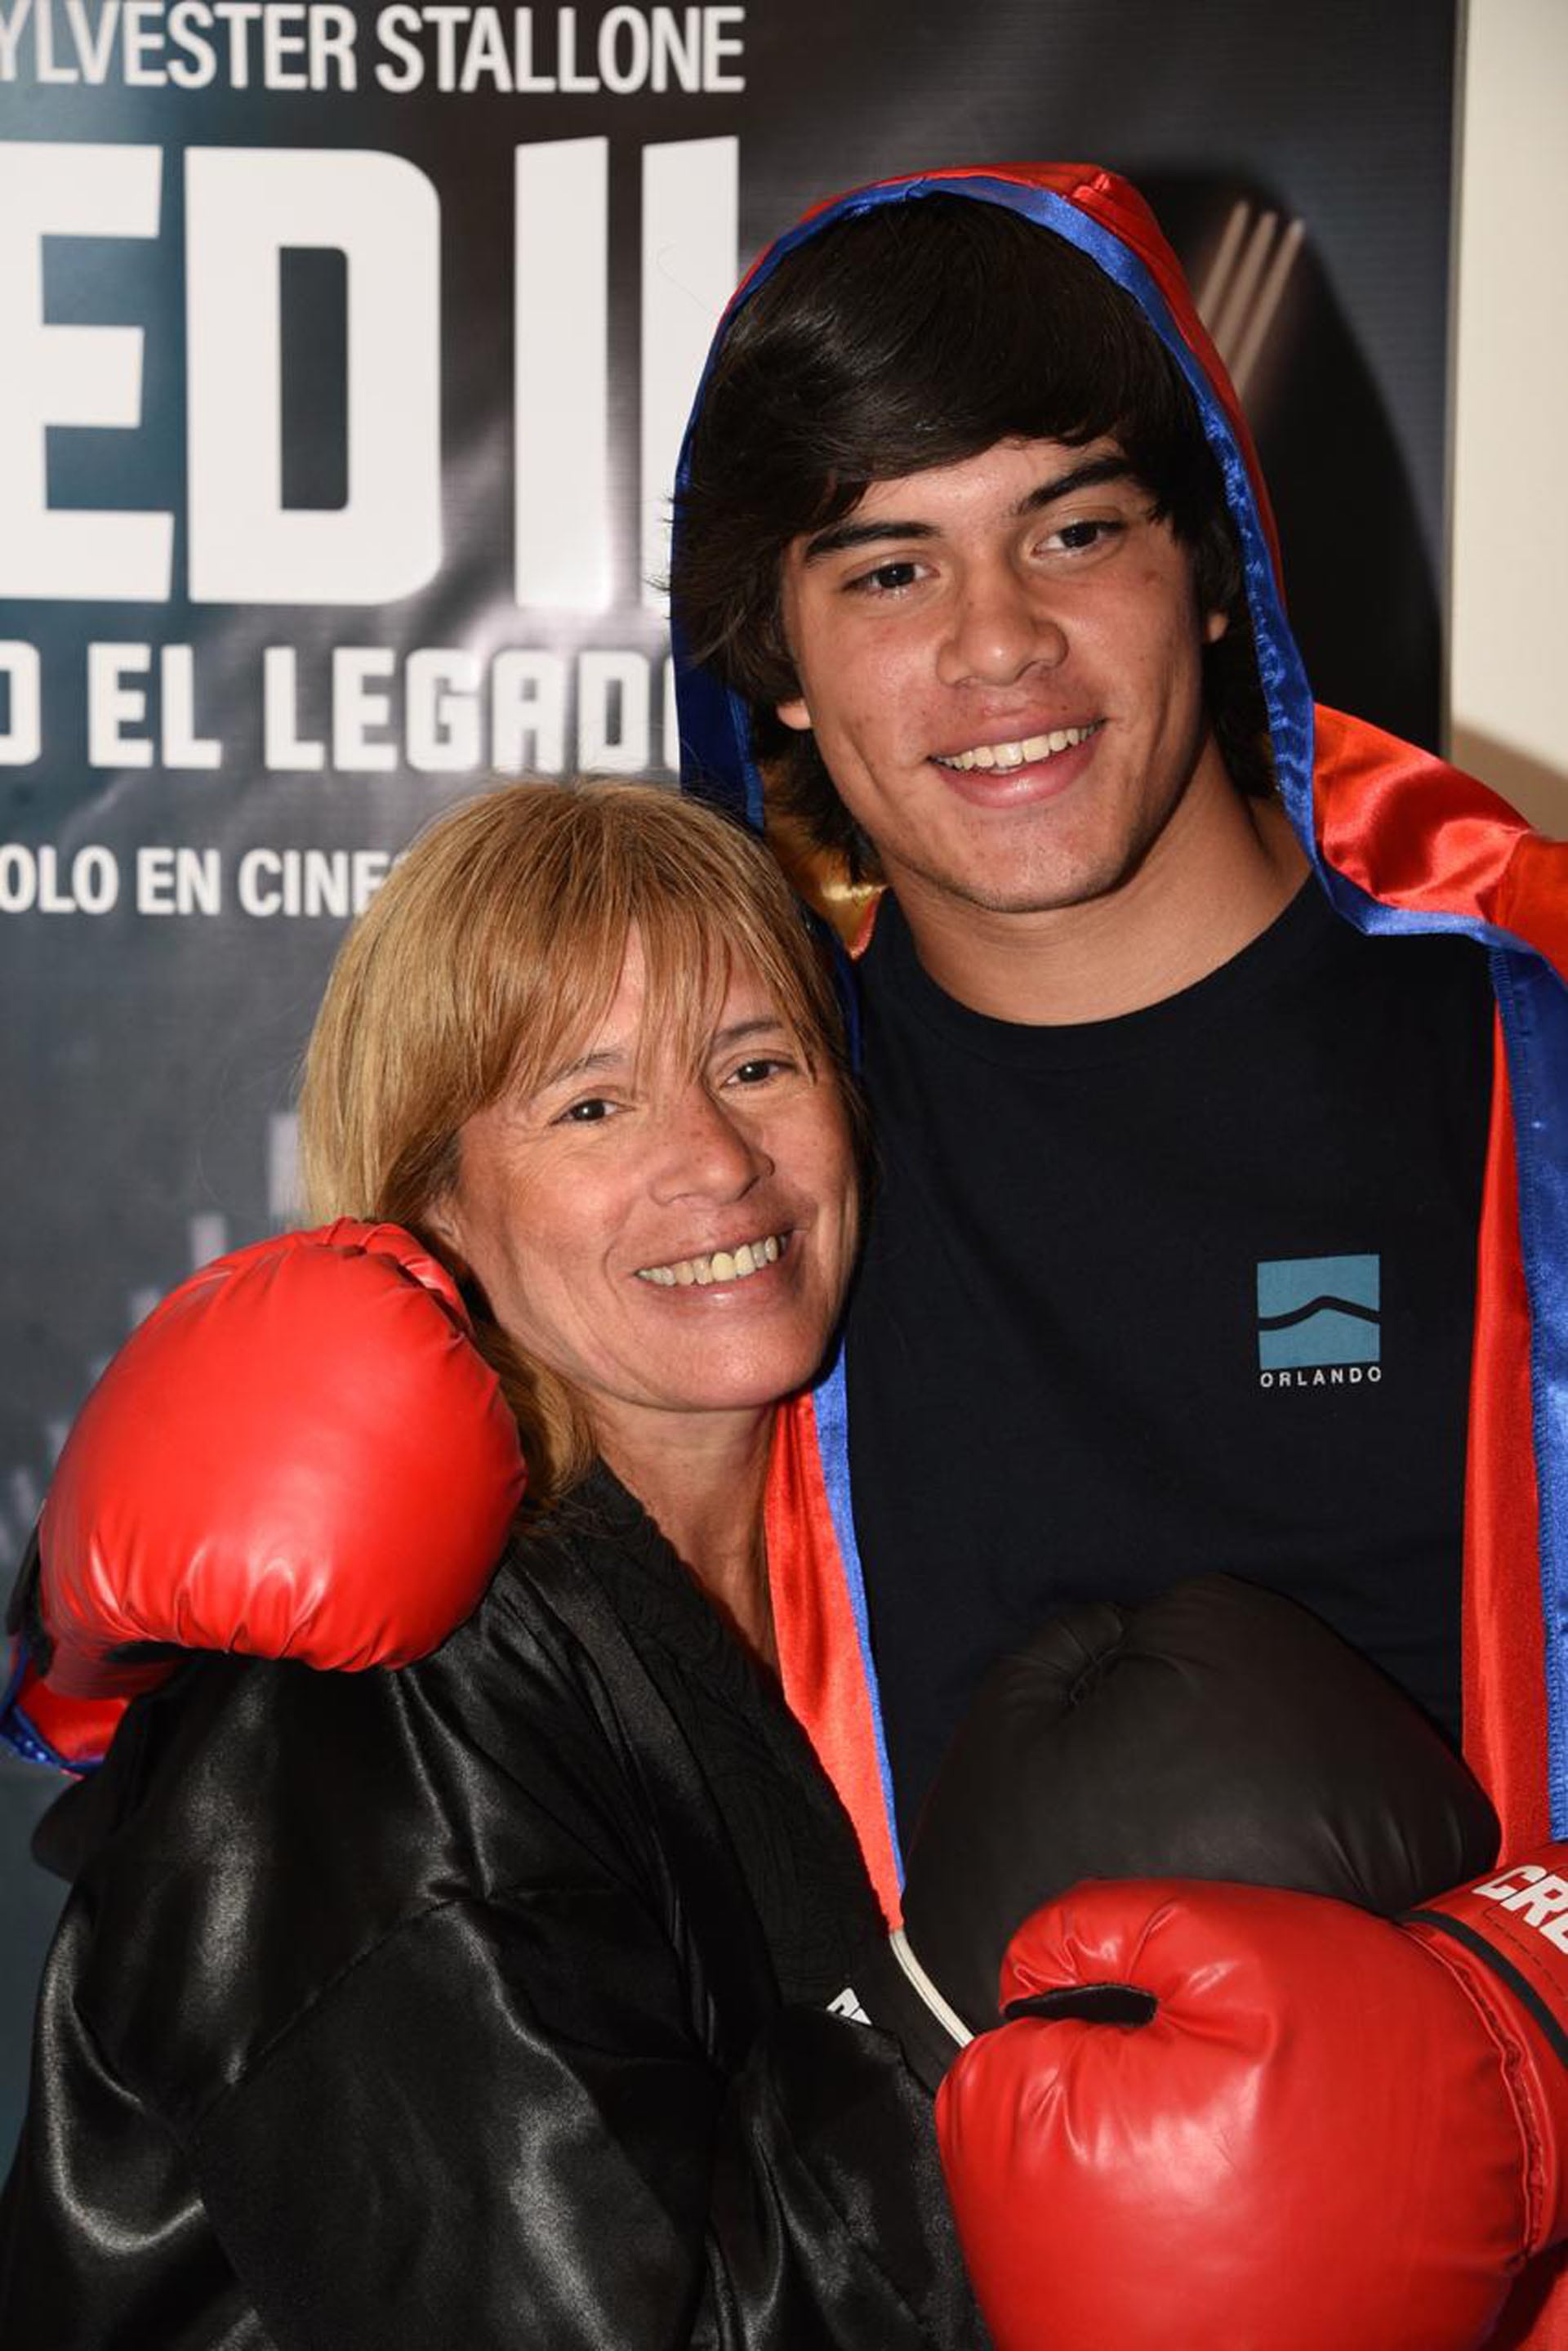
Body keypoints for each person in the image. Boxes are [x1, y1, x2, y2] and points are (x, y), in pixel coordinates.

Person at [0, 779, 983, 2349]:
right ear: (432, 1207)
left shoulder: (850, 1586)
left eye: (759, 1063)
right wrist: (977, 2018)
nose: (719, 1161)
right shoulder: (360, 1706)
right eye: (592, 1105)